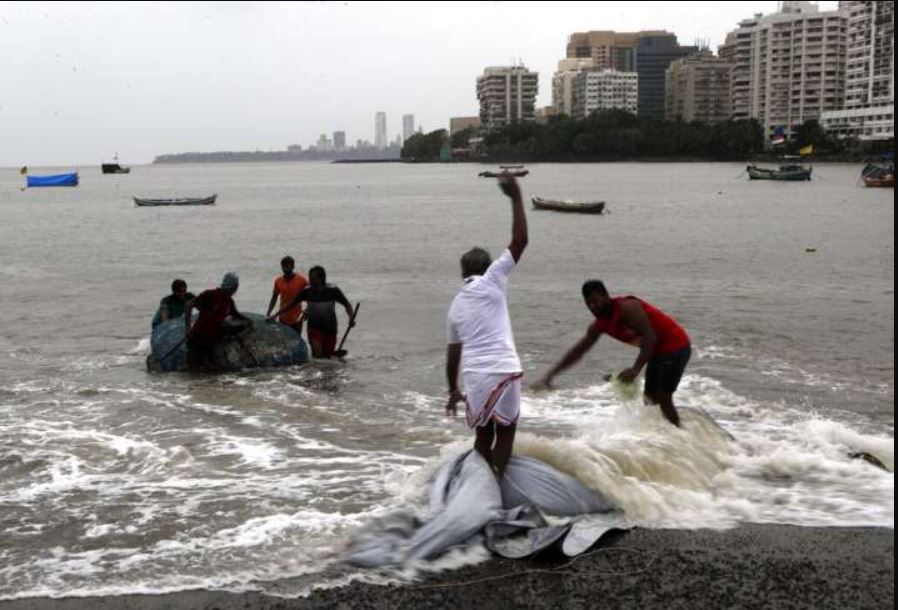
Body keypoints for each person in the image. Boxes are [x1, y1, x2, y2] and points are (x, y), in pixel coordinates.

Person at [445, 175, 528, 479]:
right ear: (486, 266)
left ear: (463, 272)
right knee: (505, 435)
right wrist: (516, 196)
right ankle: (497, 481)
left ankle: (482, 489)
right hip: (505, 369)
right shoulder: (494, 278)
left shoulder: (455, 305)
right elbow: (520, 241)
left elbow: (452, 356)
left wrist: (453, 390)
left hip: (476, 377)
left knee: (483, 437)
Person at [536, 281, 691, 427]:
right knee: (649, 400)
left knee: (664, 398)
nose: (593, 307)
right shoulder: (600, 325)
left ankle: (681, 435)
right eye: (588, 304)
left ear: (605, 296)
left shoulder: (627, 307)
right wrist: (551, 375)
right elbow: (578, 351)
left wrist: (636, 369)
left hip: (676, 346)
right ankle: (666, 436)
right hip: (656, 352)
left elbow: (650, 336)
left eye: (595, 301)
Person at [271, 266, 354, 358]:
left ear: (321, 278)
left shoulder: (333, 290)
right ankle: (315, 371)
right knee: (318, 355)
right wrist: (276, 314)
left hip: (330, 328)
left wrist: (351, 318)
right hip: (314, 327)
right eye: (310, 278)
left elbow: (347, 304)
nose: (310, 281)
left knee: (327, 357)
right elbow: (291, 304)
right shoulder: (307, 291)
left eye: (313, 279)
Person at [184, 272, 249, 371]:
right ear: (234, 287)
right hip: (197, 338)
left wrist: (248, 320)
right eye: (235, 286)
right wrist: (187, 328)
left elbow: (235, 314)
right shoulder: (210, 294)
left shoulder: (229, 301)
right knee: (194, 371)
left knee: (216, 371)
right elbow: (189, 305)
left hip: (212, 341)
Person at [265, 256, 308, 333]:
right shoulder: (278, 281)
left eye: (288, 266)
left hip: (297, 318)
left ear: (293, 266)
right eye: (284, 267)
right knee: (284, 341)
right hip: (283, 317)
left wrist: (307, 310)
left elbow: (311, 295)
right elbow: (274, 298)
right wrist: (268, 313)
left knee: (297, 340)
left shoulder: (302, 280)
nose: (286, 269)